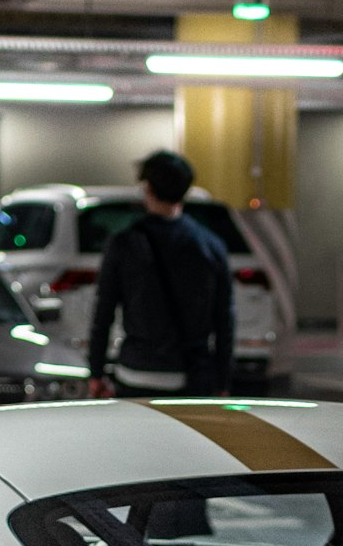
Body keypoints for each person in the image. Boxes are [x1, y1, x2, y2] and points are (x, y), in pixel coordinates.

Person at [87, 149, 235, 398]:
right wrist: (223, 382)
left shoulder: (124, 244)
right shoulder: (211, 246)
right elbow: (225, 320)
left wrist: (96, 373)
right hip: (192, 373)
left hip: (137, 371)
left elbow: (103, 312)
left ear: (148, 189)